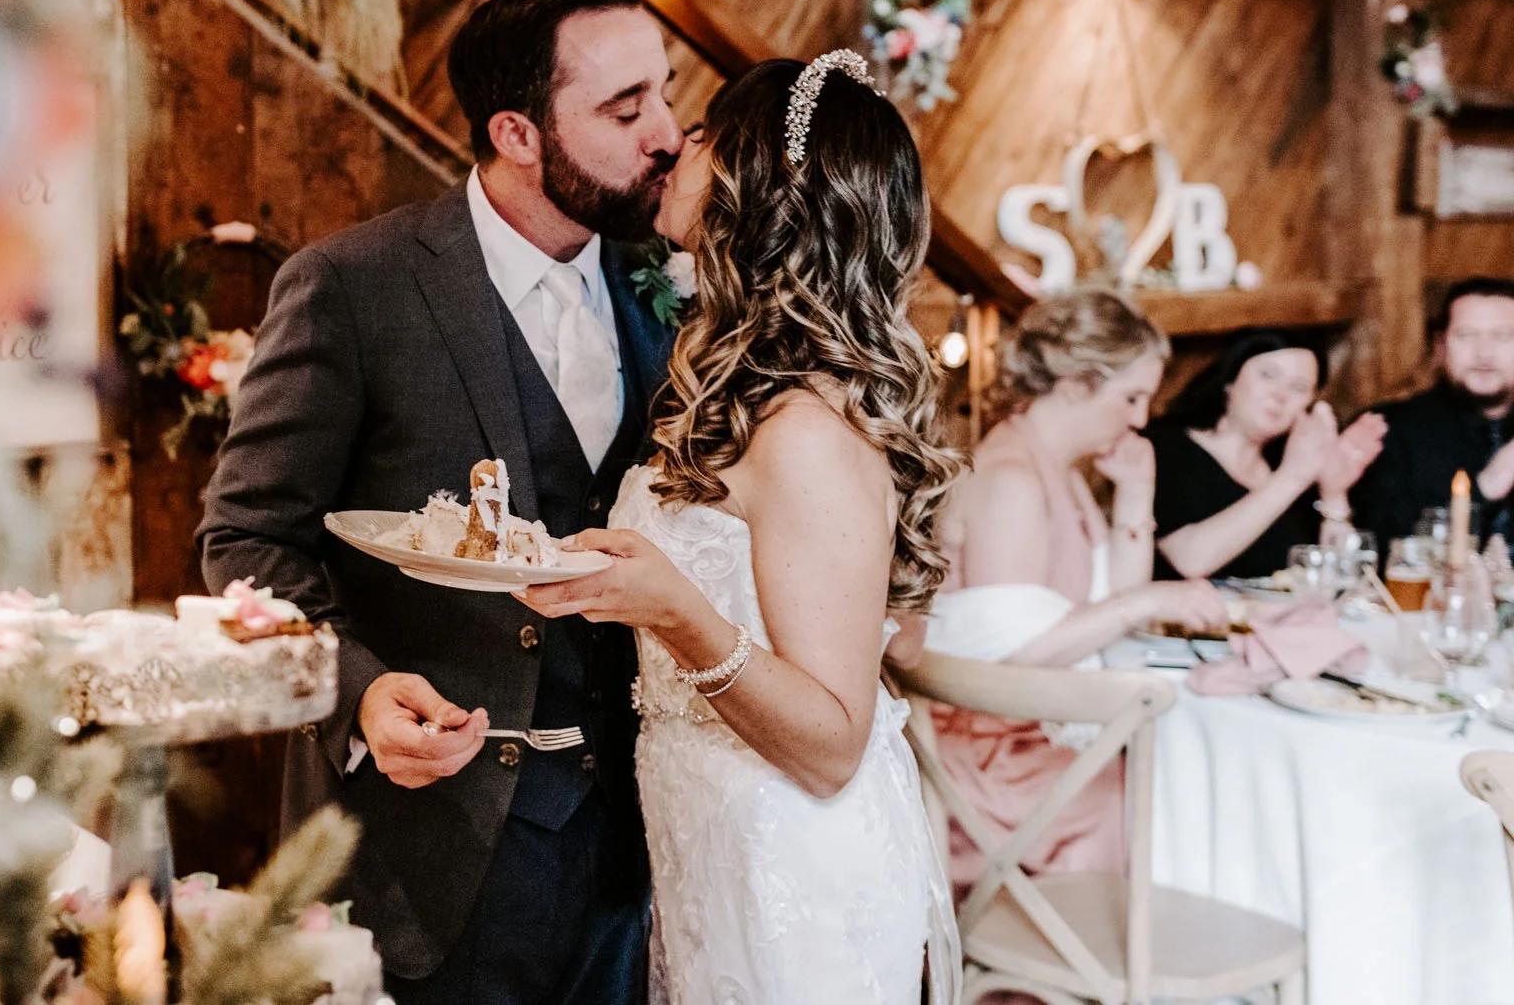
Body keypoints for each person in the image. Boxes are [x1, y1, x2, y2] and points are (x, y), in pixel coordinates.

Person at [197, 0, 682, 1005]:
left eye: (666, 92)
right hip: (423, 853)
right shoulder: (353, 287)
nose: (667, 133)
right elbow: (246, 541)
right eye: (624, 107)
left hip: (625, 853)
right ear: (515, 132)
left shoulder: (667, 293)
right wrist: (359, 693)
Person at [521, 51, 960, 1002]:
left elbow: (835, 742)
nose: (679, 142)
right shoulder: (736, 384)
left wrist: (676, 612)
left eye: (710, 132)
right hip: (712, 843)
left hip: (792, 866)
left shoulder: (806, 429)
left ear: (762, 185)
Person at [926, 289, 1226, 894]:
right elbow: (1013, 660)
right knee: (1178, 800)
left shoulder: (1053, 463)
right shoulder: (1011, 480)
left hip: (1036, 729)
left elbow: (1113, 595)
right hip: (991, 756)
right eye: (1131, 398)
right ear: (1074, 386)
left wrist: (1137, 494)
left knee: (1195, 786)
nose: (1141, 419)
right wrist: (1147, 603)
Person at [1148, 330, 1385, 581]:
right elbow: (1191, 560)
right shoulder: (1166, 448)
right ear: (1230, 379)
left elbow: (1345, 583)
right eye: (1268, 375)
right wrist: (1292, 476)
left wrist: (1334, 493)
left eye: (1299, 387)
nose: (1280, 395)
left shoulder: (1290, 461)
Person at [1354, 278, 1514, 546]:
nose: (1484, 353)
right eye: (1467, 335)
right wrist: (1484, 487)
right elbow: (1379, 544)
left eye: (1503, 336)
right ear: (1440, 347)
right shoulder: (1392, 429)